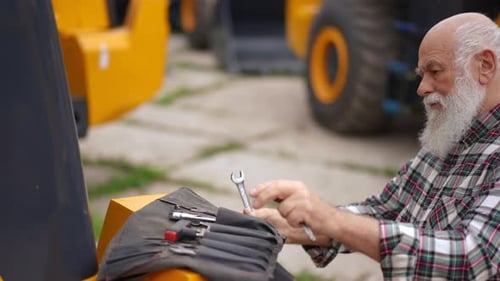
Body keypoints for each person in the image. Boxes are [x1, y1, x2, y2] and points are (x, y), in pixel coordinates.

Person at [246, 13, 500, 280]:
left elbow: (474, 256)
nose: (422, 88)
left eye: (435, 71)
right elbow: (383, 210)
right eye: (422, 75)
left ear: (485, 65)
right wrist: (298, 225)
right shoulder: (449, 135)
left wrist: (330, 220)